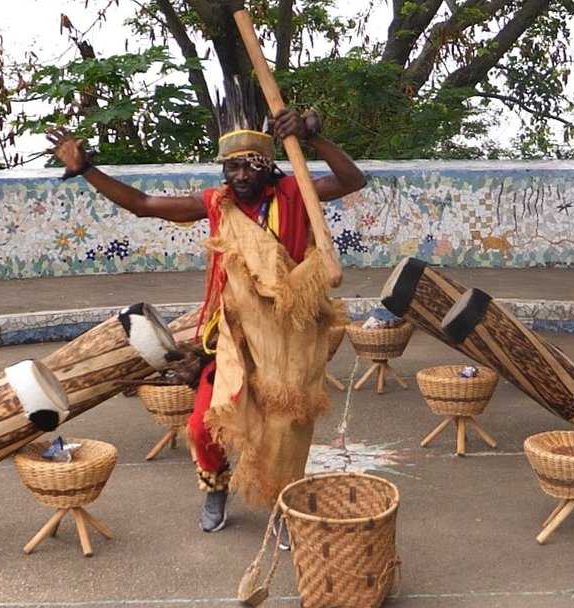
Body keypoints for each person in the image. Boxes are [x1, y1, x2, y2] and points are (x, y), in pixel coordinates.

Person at [48, 96, 367, 533]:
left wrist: (313, 137)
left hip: (288, 342)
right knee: (202, 426)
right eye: (231, 167)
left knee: (284, 430)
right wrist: (87, 170)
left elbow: (353, 179)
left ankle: (280, 505)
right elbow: (143, 204)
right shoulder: (217, 204)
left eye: (250, 166)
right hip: (232, 337)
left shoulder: (295, 192)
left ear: (268, 167)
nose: (239, 176)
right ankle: (215, 486)